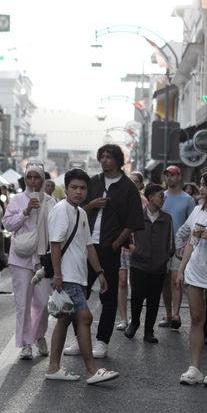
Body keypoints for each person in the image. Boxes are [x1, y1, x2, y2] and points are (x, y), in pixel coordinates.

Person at [64, 144, 144, 359]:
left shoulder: (128, 187)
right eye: (102, 156)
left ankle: (102, 341)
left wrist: (116, 243)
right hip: (85, 245)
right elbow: (75, 209)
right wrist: (92, 205)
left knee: (108, 296)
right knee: (79, 292)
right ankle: (79, 338)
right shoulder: (93, 182)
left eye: (109, 157)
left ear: (118, 160)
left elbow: (133, 221)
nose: (104, 160)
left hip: (110, 246)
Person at [45, 168, 119, 385]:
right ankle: (91, 370)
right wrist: (58, 275)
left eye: (82, 188)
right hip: (67, 276)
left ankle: (53, 367)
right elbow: (55, 244)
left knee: (64, 319)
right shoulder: (61, 210)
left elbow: (89, 246)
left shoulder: (82, 213)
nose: (78, 192)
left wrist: (100, 272)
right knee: (85, 317)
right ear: (66, 189)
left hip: (78, 275)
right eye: (74, 187)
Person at [174, 171, 207, 388]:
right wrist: (181, 269)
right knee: (196, 318)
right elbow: (191, 241)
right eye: (201, 184)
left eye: (205, 185)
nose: (201, 188)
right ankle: (194, 367)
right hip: (195, 270)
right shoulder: (197, 210)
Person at [2, 164, 54, 360]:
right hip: (20, 258)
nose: (33, 181)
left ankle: (38, 335)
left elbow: (57, 230)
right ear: (25, 180)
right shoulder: (17, 200)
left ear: (43, 180)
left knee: (42, 303)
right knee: (23, 303)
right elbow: (8, 225)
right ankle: (25, 343)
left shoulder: (51, 202)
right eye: (29, 177)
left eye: (36, 177)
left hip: (43, 259)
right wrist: (25, 211)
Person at [125, 183, 174, 343]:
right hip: (138, 264)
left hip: (158, 266)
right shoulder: (138, 215)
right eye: (160, 196)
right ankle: (134, 323)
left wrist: (166, 256)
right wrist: (132, 246)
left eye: (163, 196)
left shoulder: (167, 218)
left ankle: (149, 331)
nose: (163, 199)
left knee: (154, 300)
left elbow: (171, 240)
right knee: (137, 297)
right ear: (150, 197)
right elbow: (125, 232)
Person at [159, 165, 195, 331]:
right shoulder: (161, 196)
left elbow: (192, 225)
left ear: (179, 176)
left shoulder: (188, 200)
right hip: (162, 246)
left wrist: (186, 246)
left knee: (176, 281)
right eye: (167, 175)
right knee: (164, 282)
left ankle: (176, 315)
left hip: (179, 247)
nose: (169, 178)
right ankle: (168, 314)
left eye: (172, 175)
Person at [116, 174, 148, 332]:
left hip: (140, 245)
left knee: (137, 284)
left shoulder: (146, 202)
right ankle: (123, 318)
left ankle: (135, 319)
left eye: (136, 182)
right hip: (123, 244)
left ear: (141, 184)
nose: (133, 184)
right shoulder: (120, 199)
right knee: (121, 281)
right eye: (130, 181)